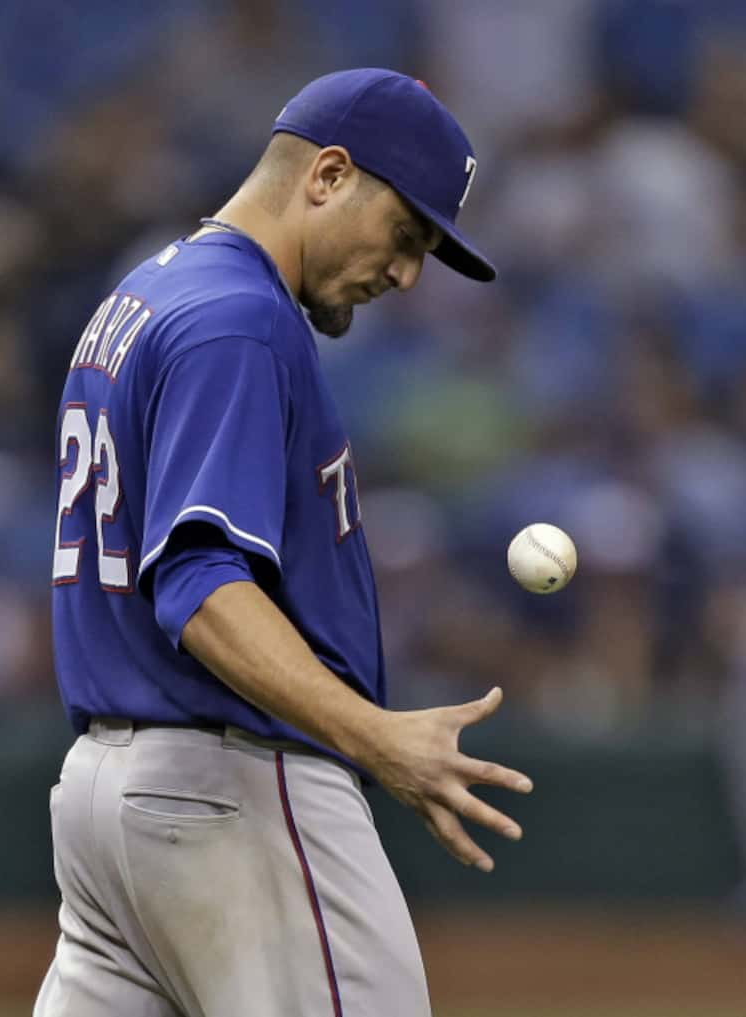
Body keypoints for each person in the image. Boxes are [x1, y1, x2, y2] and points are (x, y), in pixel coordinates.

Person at [35, 68, 533, 1017]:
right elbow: (199, 585)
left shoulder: (148, 293)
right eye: (406, 234)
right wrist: (375, 736)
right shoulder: (243, 320)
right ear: (329, 175)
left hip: (109, 803)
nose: (407, 273)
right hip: (233, 793)